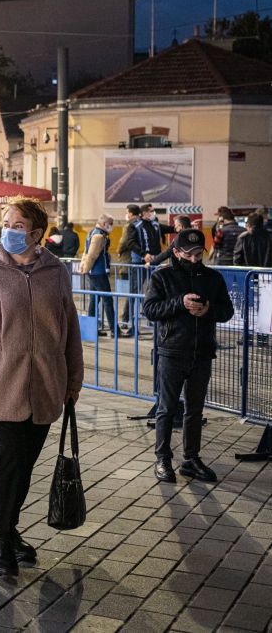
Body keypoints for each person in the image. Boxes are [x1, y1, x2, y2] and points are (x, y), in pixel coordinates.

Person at [0, 197, 84, 577]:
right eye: (6, 222)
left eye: (17, 225)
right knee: (9, 464)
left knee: (25, 466)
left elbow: (70, 327)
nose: (7, 230)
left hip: (45, 384)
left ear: (37, 233)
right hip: (1, 383)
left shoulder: (56, 271)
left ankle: (7, 529)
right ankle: (3, 539)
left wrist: (74, 378)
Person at [143, 229, 234, 484]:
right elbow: (150, 310)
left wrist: (208, 310)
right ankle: (162, 458)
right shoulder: (162, 277)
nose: (195, 259)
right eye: (189, 254)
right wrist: (179, 303)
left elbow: (227, 311)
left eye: (199, 253)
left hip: (202, 352)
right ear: (176, 252)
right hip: (172, 351)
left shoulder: (212, 278)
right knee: (167, 408)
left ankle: (191, 459)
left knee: (194, 410)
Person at [79, 215, 116, 336]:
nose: (112, 226)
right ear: (104, 224)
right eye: (111, 223)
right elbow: (92, 255)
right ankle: (114, 329)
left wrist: (84, 267)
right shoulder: (99, 236)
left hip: (93, 272)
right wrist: (86, 268)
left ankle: (91, 330)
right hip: (98, 272)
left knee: (94, 300)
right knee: (107, 300)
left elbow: (86, 252)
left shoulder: (92, 233)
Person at [116, 204, 146, 337]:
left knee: (133, 292)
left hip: (131, 261)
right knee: (135, 292)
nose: (126, 214)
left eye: (127, 212)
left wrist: (118, 251)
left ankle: (126, 320)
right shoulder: (142, 224)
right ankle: (128, 319)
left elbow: (124, 242)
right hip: (138, 262)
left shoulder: (130, 225)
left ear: (132, 214)